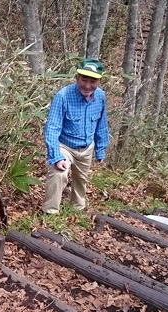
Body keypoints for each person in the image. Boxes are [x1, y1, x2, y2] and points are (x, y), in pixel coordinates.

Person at [42, 59, 109, 214]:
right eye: (84, 80)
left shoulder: (100, 96)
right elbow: (52, 128)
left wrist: (100, 149)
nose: (87, 85)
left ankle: (77, 210)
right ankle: (50, 212)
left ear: (99, 80)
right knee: (59, 173)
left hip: (86, 147)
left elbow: (101, 124)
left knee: (81, 180)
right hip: (65, 145)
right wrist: (56, 156)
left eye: (93, 81)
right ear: (77, 77)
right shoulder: (63, 96)